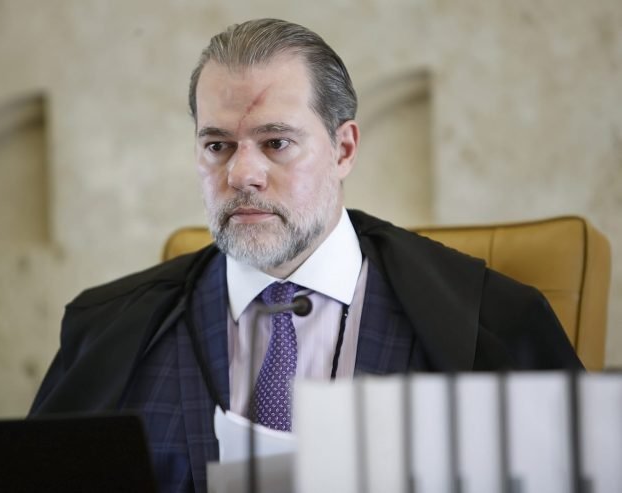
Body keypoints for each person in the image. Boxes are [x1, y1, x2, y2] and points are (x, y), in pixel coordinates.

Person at [30, 18, 582, 492]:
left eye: (276, 143)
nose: (242, 174)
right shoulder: (104, 331)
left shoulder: (493, 322)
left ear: (344, 149)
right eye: (218, 145)